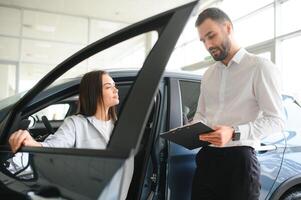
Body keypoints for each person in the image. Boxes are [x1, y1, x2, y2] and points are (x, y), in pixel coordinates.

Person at [191, 8, 284, 200]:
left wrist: (234, 132)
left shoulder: (260, 67)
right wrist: (192, 129)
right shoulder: (208, 75)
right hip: (207, 158)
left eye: (211, 36)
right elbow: (201, 114)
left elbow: (276, 121)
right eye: (203, 41)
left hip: (240, 162)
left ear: (228, 28)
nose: (208, 44)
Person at [9, 70, 119, 152]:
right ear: (94, 92)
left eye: (114, 86)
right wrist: (31, 142)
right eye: (109, 87)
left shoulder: (120, 123)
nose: (116, 90)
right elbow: (54, 146)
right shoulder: (76, 123)